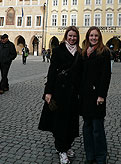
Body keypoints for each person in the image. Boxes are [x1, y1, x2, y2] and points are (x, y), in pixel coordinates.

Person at [38, 26, 81, 164]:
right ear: (66, 36)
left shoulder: (80, 52)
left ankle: (67, 146)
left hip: (74, 93)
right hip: (59, 92)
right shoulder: (58, 50)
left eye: (74, 36)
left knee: (72, 121)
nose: (72, 38)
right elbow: (51, 72)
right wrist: (48, 92)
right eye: (70, 36)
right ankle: (61, 149)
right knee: (60, 121)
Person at [80, 26, 111, 164]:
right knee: (87, 127)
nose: (93, 38)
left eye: (96, 36)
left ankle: (100, 157)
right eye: (91, 36)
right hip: (85, 95)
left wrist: (101, 95)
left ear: (99, 37)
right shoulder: (84, 53)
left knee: (97, 128)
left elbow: (106, 76)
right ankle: (90, 155)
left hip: (97, 95)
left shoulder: (104, 52)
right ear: (88, 37)